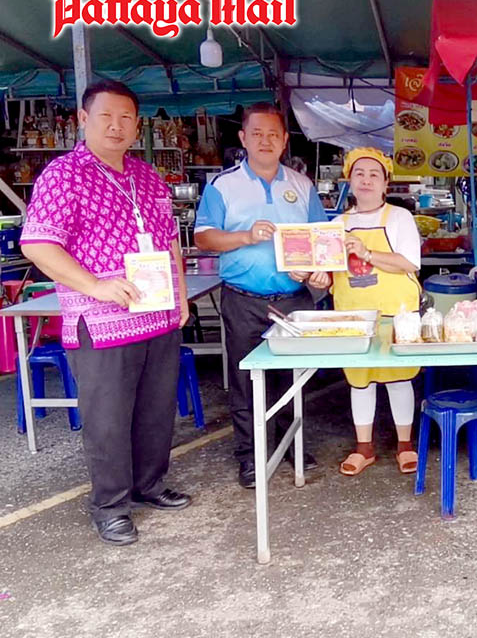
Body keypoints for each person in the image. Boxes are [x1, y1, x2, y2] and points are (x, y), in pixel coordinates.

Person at [21, 80, 191, 546]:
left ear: (137, 125)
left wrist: (180, 295)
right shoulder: (64, 174)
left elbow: (170, 239)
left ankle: (149, 484)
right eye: (105, 116)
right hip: (102, 320)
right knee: (109, 417)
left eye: (126, 118)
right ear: (83, 119)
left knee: (157, 410)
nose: (116, 126)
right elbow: (37, 243)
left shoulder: (147, 175)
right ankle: (110, 504)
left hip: (157, 313)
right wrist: (95, 284)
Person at [194, 102, 329, 488]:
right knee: (246, 380)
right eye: (257, 133)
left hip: (293, 300)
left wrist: (320, 271)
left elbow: (321, 240)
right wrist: (245, 236)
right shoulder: (223, 186)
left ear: (285, 140)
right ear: (243, 139)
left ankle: (294, 445)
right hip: (243, 299)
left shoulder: (302, 186)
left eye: (273, 134)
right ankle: (251, 457)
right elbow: (204, 237)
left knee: (294, 379)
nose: (265, 141)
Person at [330, 147, 422, 476]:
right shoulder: (336, 224)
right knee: (360, 381)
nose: (366, 180)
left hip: (396, 313)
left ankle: (405, 445)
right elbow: (329, 272)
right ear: (349, 181)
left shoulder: (399, 217)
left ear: (386, 183)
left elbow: (410, 263)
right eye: (359, 173)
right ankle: (364, 447)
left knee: (398, 378)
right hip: (353, 316)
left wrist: (367, 253)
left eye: (374, 174)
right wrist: (314, 273)